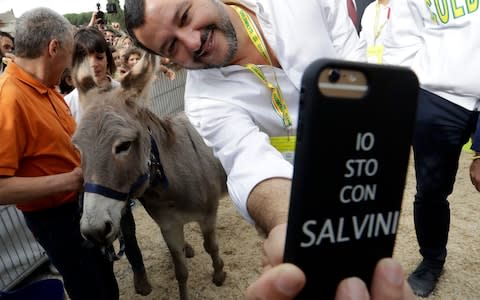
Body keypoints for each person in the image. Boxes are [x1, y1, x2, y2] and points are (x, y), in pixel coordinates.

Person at [124, 0, 414, 298]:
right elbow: (248, 164)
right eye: (172, 46)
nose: (193, 41)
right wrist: (292, 227)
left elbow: (357, 61)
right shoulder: (204, 103)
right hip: (300, 195)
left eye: (185, 15)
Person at [0, 8, 119, 300]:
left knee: (106, 280)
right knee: (90, 289)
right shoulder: (9, 100)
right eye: (70, 55)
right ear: (53, 48)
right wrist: (71, 180)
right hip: (57, 220)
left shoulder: (46, 87)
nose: (71, 66)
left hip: (80, 205)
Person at [383, 1, 480, 297]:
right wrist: (416, 96)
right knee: (431, 190)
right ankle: (432, 260)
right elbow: (400, 44)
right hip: (438, 97)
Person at [64, 26, 119, 123]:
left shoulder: (123, 93)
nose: (93, 64)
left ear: (107, 59)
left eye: (99, 57)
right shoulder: (67, 105)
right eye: (85, 60)